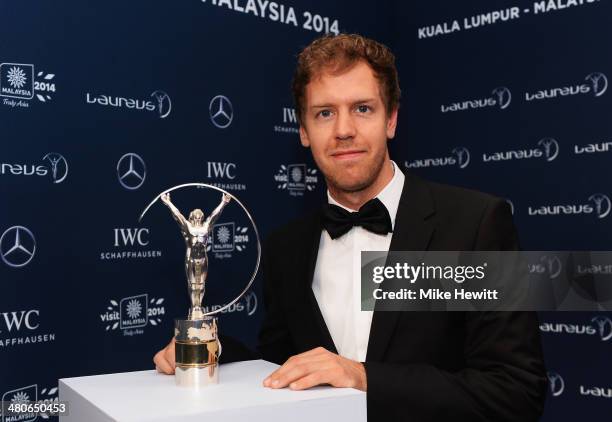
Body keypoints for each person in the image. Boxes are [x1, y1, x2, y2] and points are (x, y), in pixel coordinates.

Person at [154, 34, 546, 421]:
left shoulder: (474, 224)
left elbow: (515, 392)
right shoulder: (285, 247)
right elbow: (281, 367)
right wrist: (213, 352)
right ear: (304, 131)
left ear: (391, 119)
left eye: (362, 108)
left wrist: (363, 378)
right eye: (324, 113)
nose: (343, 130)